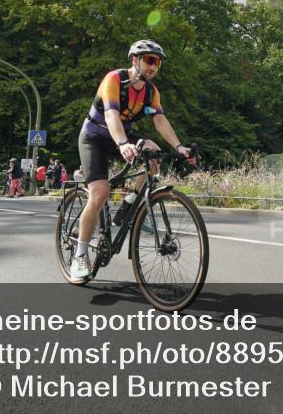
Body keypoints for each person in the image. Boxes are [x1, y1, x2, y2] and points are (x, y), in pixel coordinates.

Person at [70, 39, 196, 279]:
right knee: (100, 193)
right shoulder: (114, 80)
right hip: (95, 136)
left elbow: (159, 120)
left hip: (123, 135)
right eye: (149, 60)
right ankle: (80, 255)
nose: (153, 66)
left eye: (157, 62)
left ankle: (128, 206)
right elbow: (111, 115)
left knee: (153, 155)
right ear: (134, 60)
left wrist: (179, 146)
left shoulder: (151, 91)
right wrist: (122, 144)